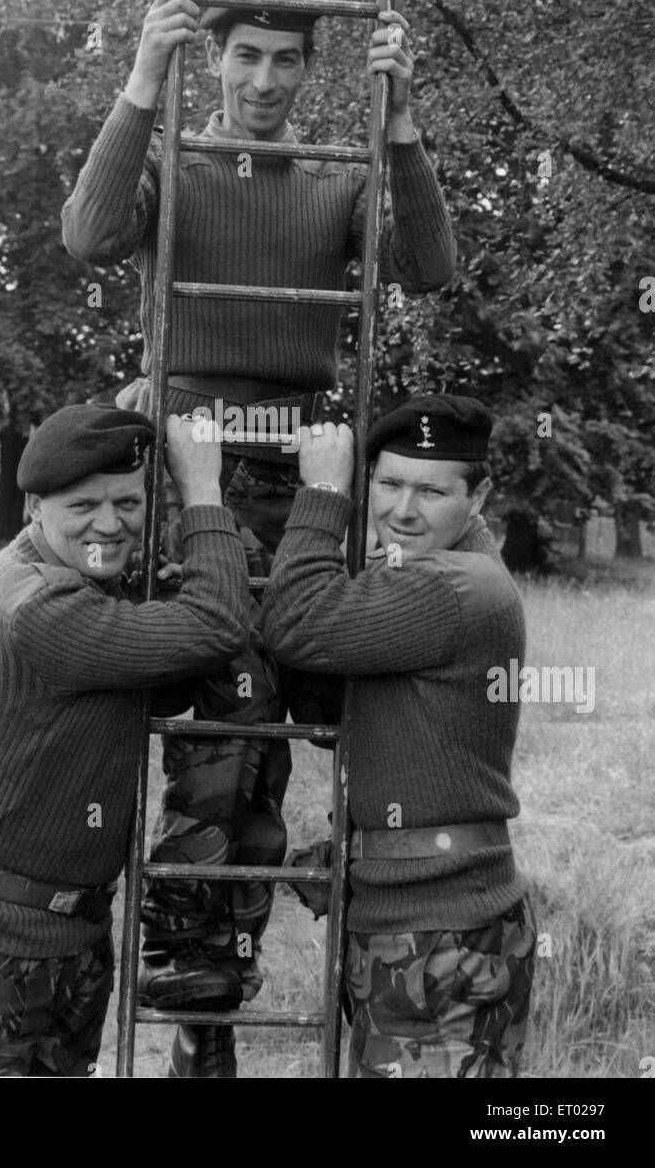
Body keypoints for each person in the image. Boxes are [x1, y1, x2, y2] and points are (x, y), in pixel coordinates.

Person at [61, 0, 456, 1076]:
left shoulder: (332, 179)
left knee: (311, 705)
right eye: (245, 57)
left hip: (305, 471)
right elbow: (89, 234)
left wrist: (402, 125)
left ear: (307, 75)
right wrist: (142, 80)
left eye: (288, 61)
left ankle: (331, 927)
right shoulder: (176, 165)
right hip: (195, 468)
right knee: (227, 716)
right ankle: (198, 1003)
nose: (264, 81)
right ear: (216, 59)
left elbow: (428, 269)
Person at [0, 404, 250, 1077]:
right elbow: (217, 626)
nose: (110, 524)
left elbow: (167, 678)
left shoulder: (82, 581)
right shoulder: (41, 606)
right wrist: (204, 492)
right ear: (34, 505)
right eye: (84, 505)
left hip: (72, 936)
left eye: (127, 501)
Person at [261, 395, 536, 1078]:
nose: (402, 510)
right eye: (387, 484)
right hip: (411, 917)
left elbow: (294, 624)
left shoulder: (454, 587)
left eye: (432, 491)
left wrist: (324, 491)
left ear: (479, 497)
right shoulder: (419, 573)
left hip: (439, 928)